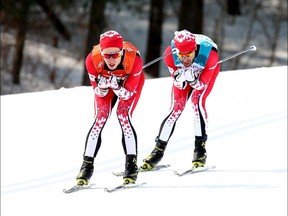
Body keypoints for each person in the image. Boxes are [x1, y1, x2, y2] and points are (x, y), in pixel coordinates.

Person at [141, 29, 220, 170]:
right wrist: (181, 78)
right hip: (186, 73)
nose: (185, 59)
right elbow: (179, 84)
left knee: (197, 102)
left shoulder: (210, 55)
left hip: (205, 71)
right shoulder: (170, 55)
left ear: (194, 49)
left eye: (189, 55)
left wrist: (193, 79)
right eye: (181, 55)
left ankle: (200, 150)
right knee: (176, 108)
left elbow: (201, 85)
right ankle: (157, 151)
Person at [76, 30, 145, 185]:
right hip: (107, 87)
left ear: (122, 51)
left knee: (123, 116)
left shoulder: (134, 60)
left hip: (129, 86)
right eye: (107, 55)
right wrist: (103, 86)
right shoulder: (92, 60)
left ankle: (131, 165)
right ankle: (86, 166)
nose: (111, 59)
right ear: (101, 52)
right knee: (100, 119)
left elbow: (127, 94)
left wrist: (118, 87)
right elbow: (97, 91)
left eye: (115, 54)